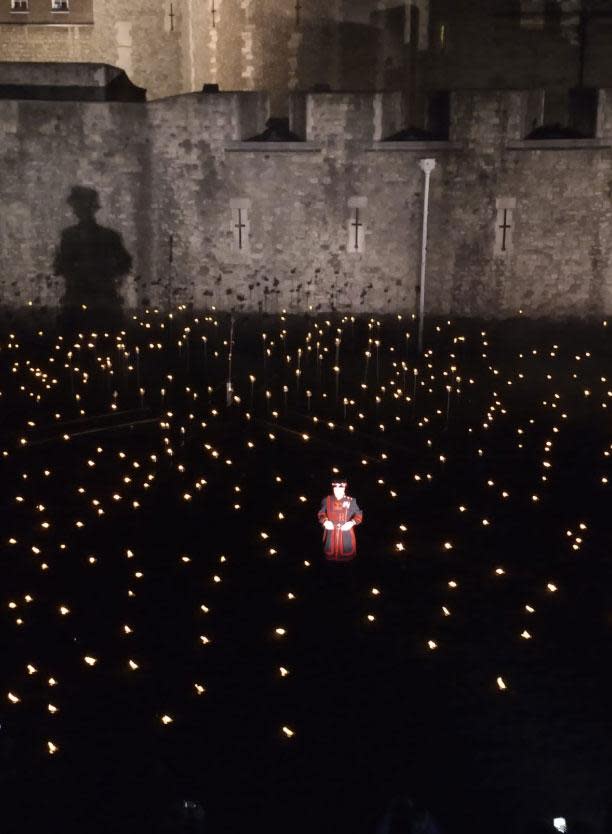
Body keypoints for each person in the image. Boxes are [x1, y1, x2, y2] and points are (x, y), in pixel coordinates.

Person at [317, 479, 363, 561]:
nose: (337, 490)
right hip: (330, 536)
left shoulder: (351, 501)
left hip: (346, 536)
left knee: (347, 561)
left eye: (340, 487)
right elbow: (321, 513)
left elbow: (359, 515)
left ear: (344, 488)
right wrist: (325, 521)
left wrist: (351, 523)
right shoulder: (326, 500)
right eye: (335, 487)